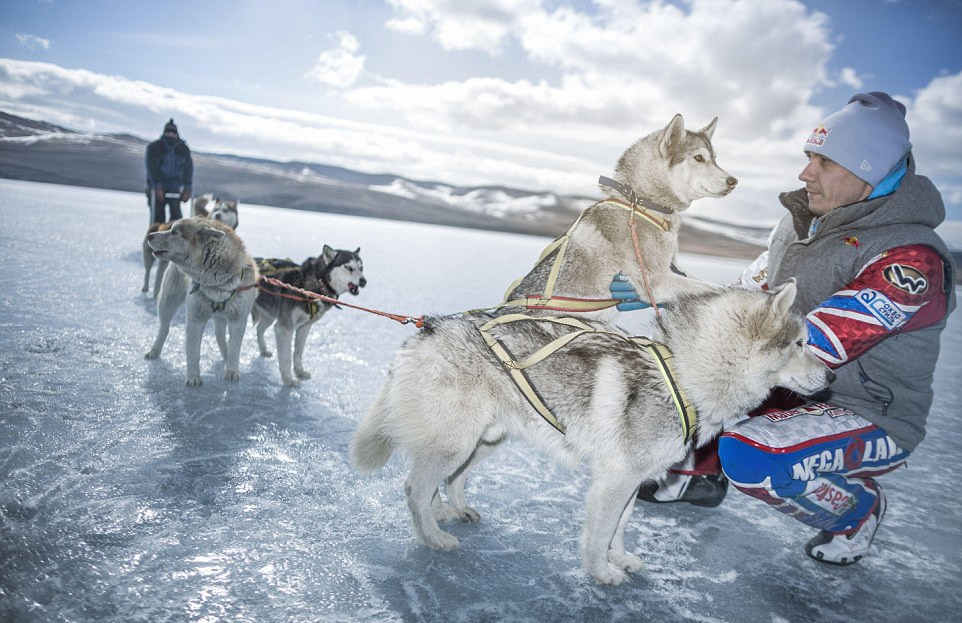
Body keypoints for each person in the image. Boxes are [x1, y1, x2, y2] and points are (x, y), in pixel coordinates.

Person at [618, 91, 957, 564]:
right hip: (792, 386)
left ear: (870, 170)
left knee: (753, 456)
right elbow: (744, 296)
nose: (805, 173)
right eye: (807, 157)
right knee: (671, 364)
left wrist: (691, 311)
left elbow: (816, 343)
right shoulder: (799, 225)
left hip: (870, 413)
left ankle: (856, 511)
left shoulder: (911, 259)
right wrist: (670, 292)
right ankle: (697, 475)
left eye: (825, 162)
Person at [145, 118, 193, 224]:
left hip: (175, 188)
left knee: (176, 221)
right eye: (168, 132)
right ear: (164, 133)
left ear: (177, 134)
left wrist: (187, 188)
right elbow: (152, 169)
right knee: (157, 220)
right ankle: (156, 238)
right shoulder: (154, 147)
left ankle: (174, 239)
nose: (170, 135)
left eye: (173, 133)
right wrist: (157, 187)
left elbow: (188, 170)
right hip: (157, 187)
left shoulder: (183, 149)